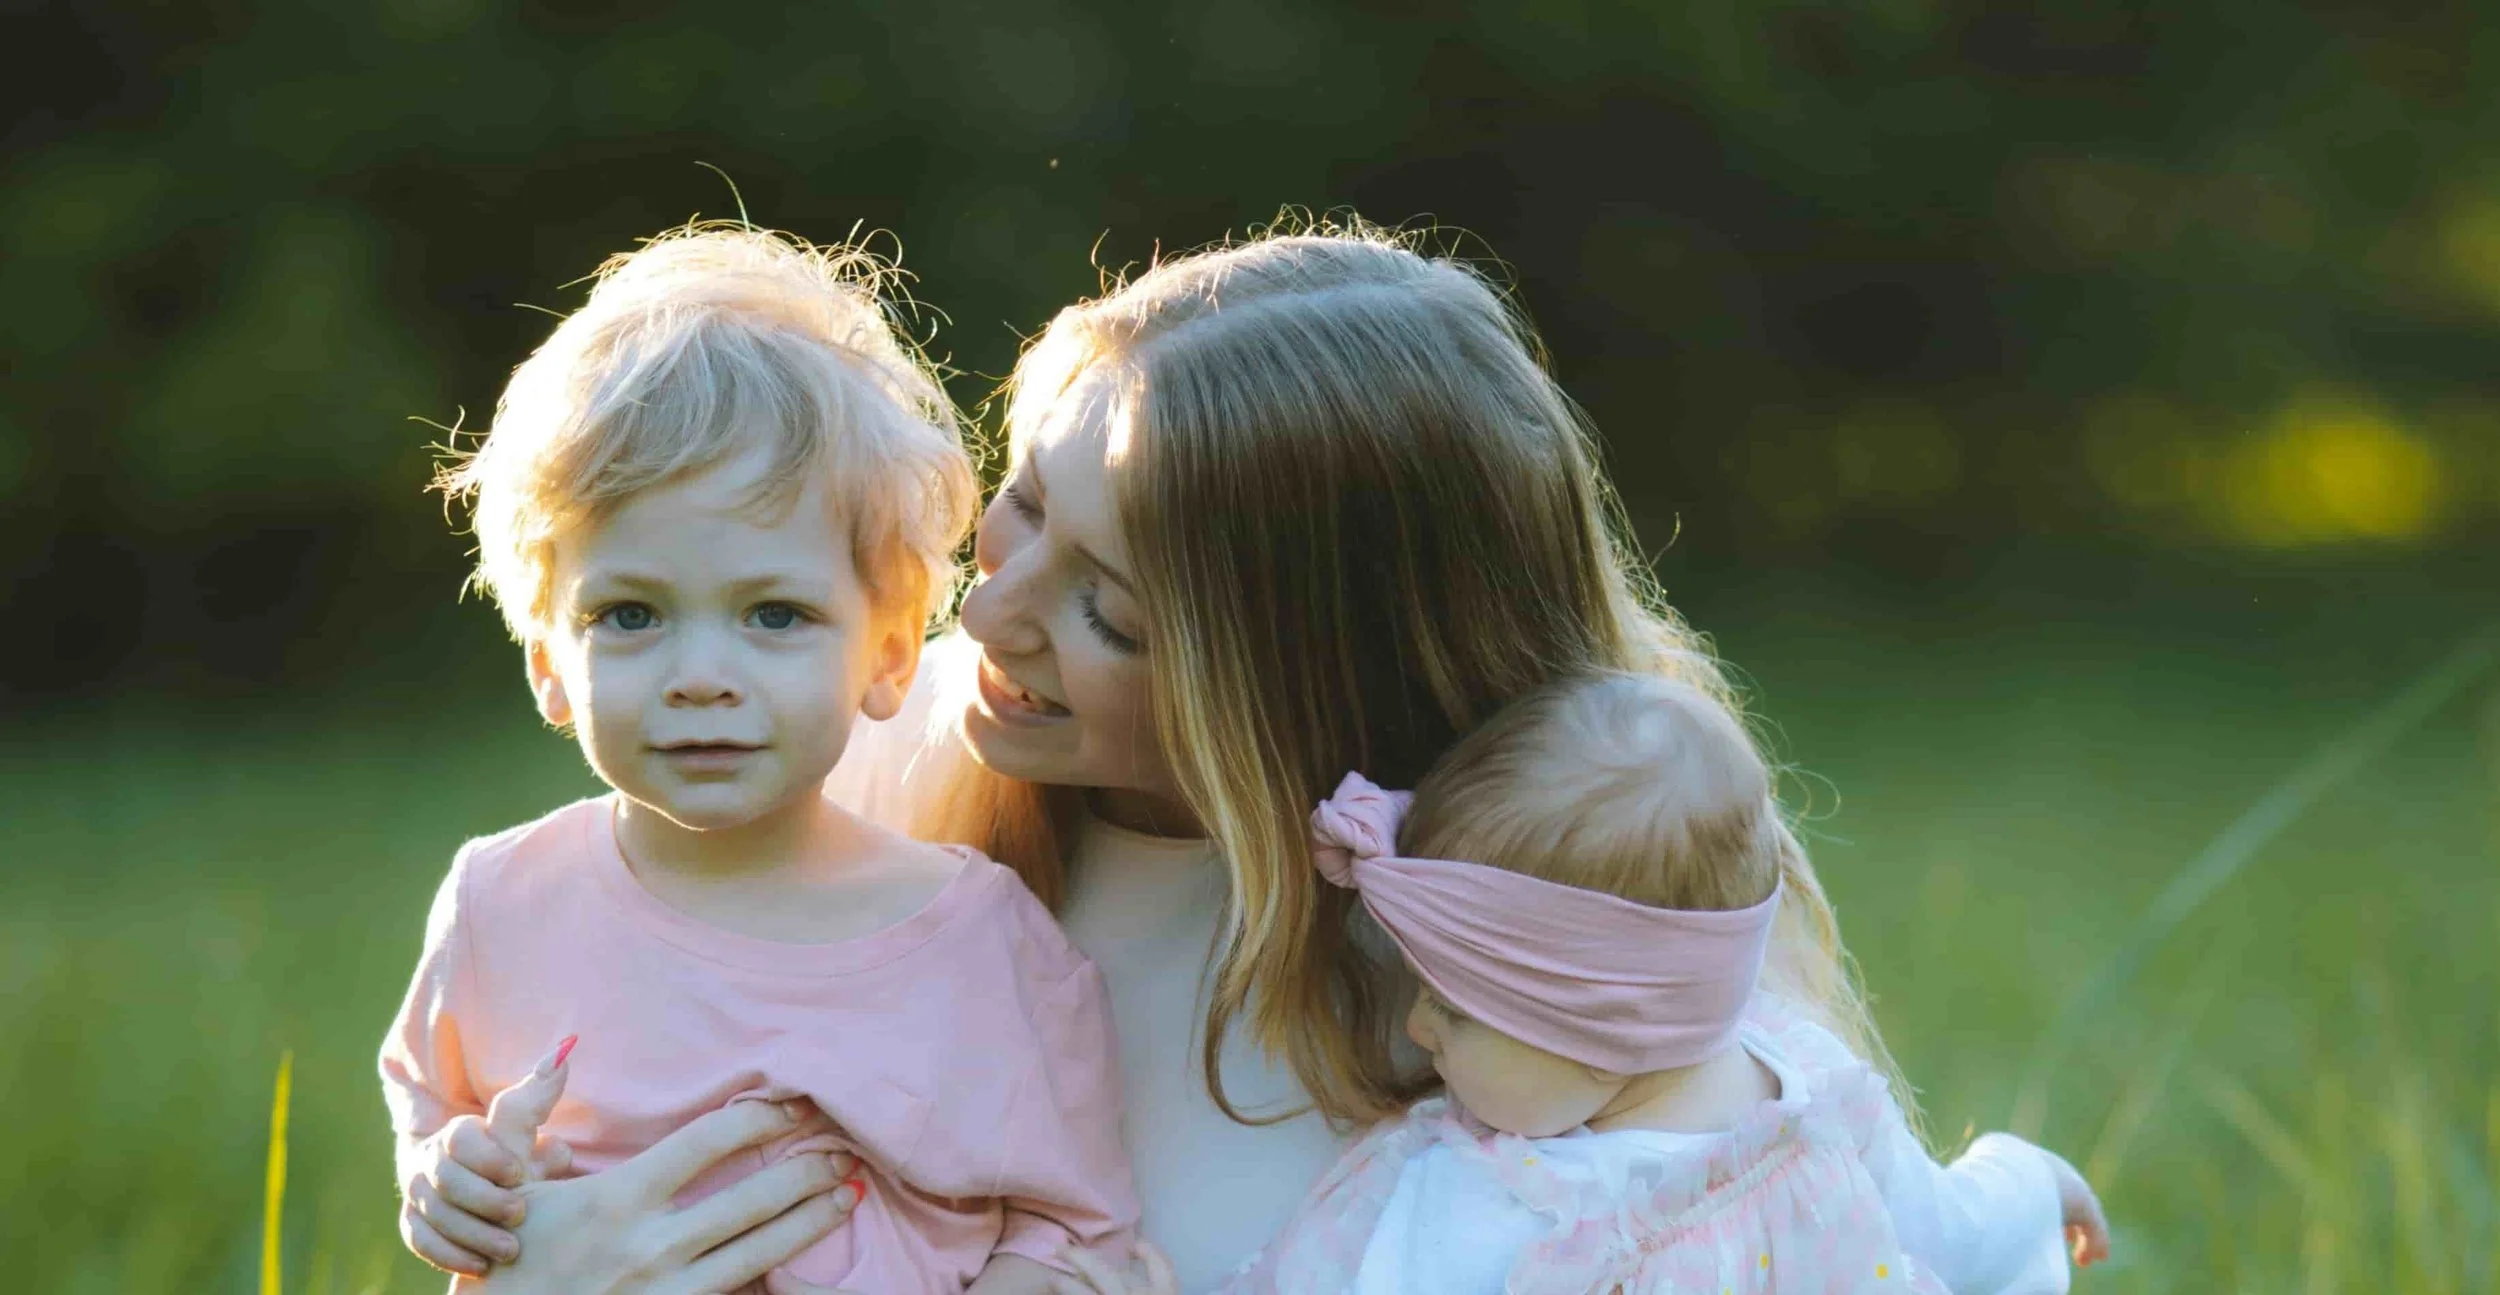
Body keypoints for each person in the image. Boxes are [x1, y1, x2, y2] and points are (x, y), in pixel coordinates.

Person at [427, 219, 1988, 1293]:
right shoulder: (854, 768)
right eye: (1020, 501)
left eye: (1106, 608)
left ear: (1305, 683)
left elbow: (1815, 1215)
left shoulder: (1558, 944)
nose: (996, 602)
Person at [379, 224, 1138, 1295]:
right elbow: (436, 1104)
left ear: (884, 649)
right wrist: (446, 1177)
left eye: (773, 614)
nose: (700, 674)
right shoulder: (505, 900)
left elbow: (1073, 1218)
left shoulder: (981, 938)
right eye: (631, 614)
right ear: (551, 662)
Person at [1191, 672, 2110, 1293]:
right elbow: (1954, 1229)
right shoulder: (1813, 1096)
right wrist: (2032, 1181)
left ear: (1602, 1037)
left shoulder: (1504, 1195)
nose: (1420, 1030)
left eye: (1455, 1010)